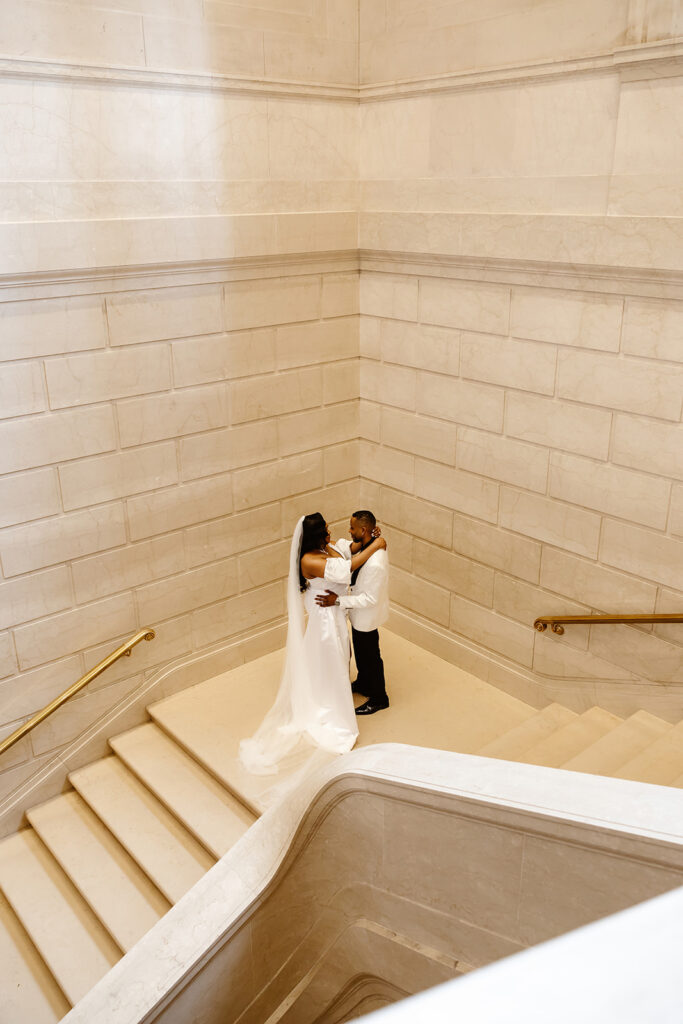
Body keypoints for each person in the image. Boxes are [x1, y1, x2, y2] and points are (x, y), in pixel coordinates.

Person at [239, 513, 387, 774]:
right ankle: (329, 703)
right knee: (332, 658)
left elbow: (347, 551)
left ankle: (335, 686)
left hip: (334, 613)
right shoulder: (310, 559)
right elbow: (348, 567)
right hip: (326, 619)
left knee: (339, 657)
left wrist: (367, 540)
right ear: (316, 536)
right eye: (326, 531)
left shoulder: (324, 548)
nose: (332, 534)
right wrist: (377, 544)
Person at [316, 510, 390, 715]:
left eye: (352, 527)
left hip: (366, 616)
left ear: (363, 529)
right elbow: (349, 555)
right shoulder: (366, 546)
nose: (349, 531)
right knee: (361, 653)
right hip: (357, 615)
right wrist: (376, 540)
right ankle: (364, 683)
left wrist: (337, 600)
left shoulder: (376, 563)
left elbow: (370, 599)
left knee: (371, 657)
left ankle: (379, 698)